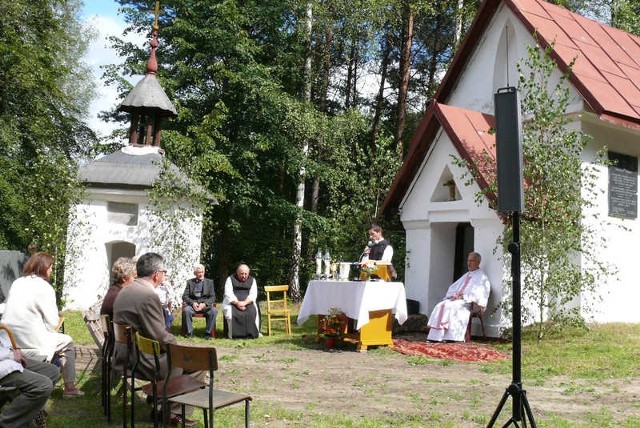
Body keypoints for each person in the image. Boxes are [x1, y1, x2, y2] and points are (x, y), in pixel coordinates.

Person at [112, 252, 200, 427]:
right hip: (139, 359)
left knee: (177, 356)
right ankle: (171, 413)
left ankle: (162, 406)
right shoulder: (147, 295)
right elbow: (159, 336)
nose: (165, 275)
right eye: (164, 272)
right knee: (196, 364)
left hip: (124, 353)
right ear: (156, 274)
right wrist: (177, 345)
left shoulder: (127, 289)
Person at [1, 252, 84, 397]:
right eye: (51, 267)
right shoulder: (45, 288)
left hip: (8, 339)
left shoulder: (17, 282)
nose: (51, 270)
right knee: (67, 342)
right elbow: (52, 323)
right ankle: (69, 388)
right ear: (44, 268)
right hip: (31, 341)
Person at [426, 252, 491, 342]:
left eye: (472, 261)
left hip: (470, 304)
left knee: (451, 307)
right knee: (440, 305)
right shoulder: (466, 275)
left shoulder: (482, 277)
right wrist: (454, 295)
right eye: (468, 261)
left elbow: (480, 294)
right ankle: (435, 337)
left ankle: (452, 337)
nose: (469, 263)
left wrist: (463, 296)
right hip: (459, 300)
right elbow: (453, 287)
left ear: (478, 262)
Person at [0, 334, 60, 427]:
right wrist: (10, 355)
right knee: (43, 386)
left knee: (52, 371)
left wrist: (13, 350)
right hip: (3, 366)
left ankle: (30, 412)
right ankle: (6, 424)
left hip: (6, 360)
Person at [222, 264, 260, 339]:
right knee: (232, 313)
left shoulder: (252, 280)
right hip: (233, 302)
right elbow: (228, 292)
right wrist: (237, 303)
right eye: (242, 274)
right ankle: (234, 334)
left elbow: (253, 294)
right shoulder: (230, 279)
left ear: (248, 273)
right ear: (237, 272)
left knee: (252, 312)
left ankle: (251, 334)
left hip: (248, 302)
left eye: (246, 274)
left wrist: (244, 303)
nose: (244, 276)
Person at [181, 264, 217, 339]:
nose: (200, 274)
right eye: (198, 272)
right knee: (186, 310)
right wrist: (192, 303)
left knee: (214, 311)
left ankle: (207, 334)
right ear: (195, 273)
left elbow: (213, 297)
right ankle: (190, 333)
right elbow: (185, 296)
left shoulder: (209, 282)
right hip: (192, 306)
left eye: (202, 272)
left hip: (204, 306)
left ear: (204, 272)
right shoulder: (190, 282)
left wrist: (204, 304)